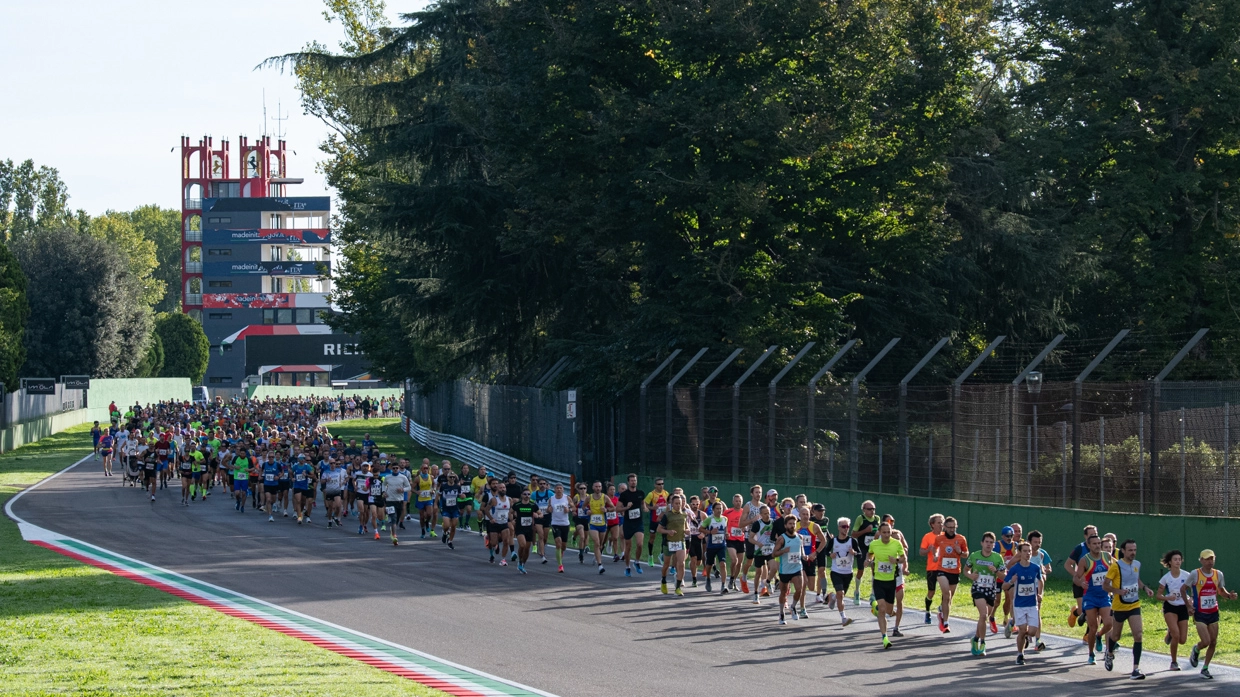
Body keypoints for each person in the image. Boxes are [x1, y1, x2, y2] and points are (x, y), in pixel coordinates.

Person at [1104, 538, 1155, 678]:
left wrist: (1145, 588)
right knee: (1116, 635)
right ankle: (1109, 653)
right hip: (1120, 606)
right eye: (1130, 550)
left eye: (1135, 550)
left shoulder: (1137, 564)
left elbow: (1136, 579)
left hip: (1134, 604)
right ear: (1123, 551)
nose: (1133, 553)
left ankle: (1135, 669)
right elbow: (1105, 585)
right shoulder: (1116, 566)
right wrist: (1117, 591)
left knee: (1138, 635)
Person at [1188, 549, 1238, 679]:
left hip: (1213, 612)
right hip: (1200, 612)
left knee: (1213, 641)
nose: (1210, 562)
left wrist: (1229, 596)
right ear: (1201, 560)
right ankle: (1197, 649)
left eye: (1212, 559)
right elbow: (1183, 589)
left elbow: (1221, 591)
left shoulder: (1218, 574)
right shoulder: (1195, 574)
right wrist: (1189, 604)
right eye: (1207, 559)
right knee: (1206, 641)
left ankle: (1205, 668)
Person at [1002, 541, 1044, 666]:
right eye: (1025, 551)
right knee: (1022, 629)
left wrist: (1040, 593)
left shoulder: (1035, 568)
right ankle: (1020, 655)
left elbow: (1040, 580)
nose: (1028, 553)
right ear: (1019, 553)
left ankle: (1024, 638)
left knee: (1031, 631)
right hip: (1019, 604)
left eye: (1029, 551)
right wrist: (1011, 582)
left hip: (1032, 604)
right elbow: (1004, 585)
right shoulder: (1015, 569)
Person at [1074, 534, 1113, 666]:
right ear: (1089, 545)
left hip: (1104, 596)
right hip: (1090, 597)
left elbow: (1118, 568)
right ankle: (1091, 653)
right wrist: (1081, 583)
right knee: (1093, 626)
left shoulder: (1107, 557)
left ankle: (1099, 636)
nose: (1097, 546)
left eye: (1098, 543)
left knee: (1108, 623)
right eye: (1094, 543)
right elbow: (1076, 578)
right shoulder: (1085, 560)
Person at [964, 531, 1003, 657]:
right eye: (986, 542)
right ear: (982, 543)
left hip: (991, 589)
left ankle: (975, 638)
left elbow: (1004, 575)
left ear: (994, 545)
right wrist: (971, 576)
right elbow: (965, 570)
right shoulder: (974, 556)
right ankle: (983, 643)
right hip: (978, 588)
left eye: (991, 542)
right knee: (983, 614)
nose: (988, 544)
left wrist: (996, 571)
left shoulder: (997, 558)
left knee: (984, 618)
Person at [868, 522, 905, 649]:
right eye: (884, 532)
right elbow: (870, 553)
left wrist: (896, 561)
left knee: (889, 611)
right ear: (879, 533)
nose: (887, 535)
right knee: (883, 609)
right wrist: (869, 560)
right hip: (878, 580)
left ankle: (875, 607)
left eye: (888, 532)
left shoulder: (896, 543)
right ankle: (885, 638)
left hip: (891, 581)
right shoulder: (874, 544)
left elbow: (903, 558)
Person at [933, 516, 968, 634]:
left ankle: (942, 612)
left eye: (954, 527)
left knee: (949, 598)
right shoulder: (939, 538)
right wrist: (935, 555)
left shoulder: (961, 539)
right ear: (945, 527)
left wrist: (960, 552)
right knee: (946, 594)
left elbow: (966, 554)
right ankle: (946, 623)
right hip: (942, 569)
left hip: (954, 570)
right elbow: (935, 548)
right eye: (950, 527)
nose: (952, 529)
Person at [1157, 549, 1190, 671]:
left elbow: (1194, 590)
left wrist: (1191, 599)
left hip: (1183, 607)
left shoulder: (1186, 575)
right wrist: (1167, 597)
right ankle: (1174, 662)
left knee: (1182, 640)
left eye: (1179, 559)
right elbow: (1158, 595)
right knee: (1176, 635)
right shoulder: (1166, 578)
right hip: (1170, 607)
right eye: (1175, 559)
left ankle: (1170, 633)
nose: (1177, 561)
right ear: (1170, 562)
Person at [770, 514, 806, 625]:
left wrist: (804, 556)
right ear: (785, 525)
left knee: (799, 589)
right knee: (783, 592)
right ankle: (781, 613)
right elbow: (773, 554)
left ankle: (793, 607)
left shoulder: (800, 537)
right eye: (790, 524)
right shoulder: (782, 538)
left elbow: (801, 550)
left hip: (797, 567)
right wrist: (783, 551)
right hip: (785, 569)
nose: (792, 526)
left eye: (794, 524)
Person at [826, 516, 860, 626]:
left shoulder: (852, 541)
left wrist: (854, 553)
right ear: (839, 528)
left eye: (847, 527)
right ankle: (843, 617)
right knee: (840, 593)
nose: (846, 529)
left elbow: (860, 554)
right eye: (843, 526)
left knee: (841, 594)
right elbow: (825, 551)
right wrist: (830, 554)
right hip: (836, 571)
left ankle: (833, 597)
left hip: (848, 572)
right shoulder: (833, 541)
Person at [1067, 525, 1100, 629]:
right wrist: (1077, 576)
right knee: (1083, 610)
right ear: (1085, 536)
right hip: (1081, 583)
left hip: (1094, 584)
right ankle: (1075, 612)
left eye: (1095, 534)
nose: (1094, 536)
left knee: (1094, 610)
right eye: (1091, 535)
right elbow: (1067, 564)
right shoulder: (1079, 548)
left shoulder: (1100, 547)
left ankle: (1089, 635)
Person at [657, 493, 690, 596]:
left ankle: (678, 587)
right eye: (676, 503)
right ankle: (663, 581)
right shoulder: (667, 515)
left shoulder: (684, 514)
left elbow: (686, 526)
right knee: (666, 564)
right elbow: (659, 529)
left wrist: (687, 530)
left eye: (679, 503)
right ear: (672, 504)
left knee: (681, 563)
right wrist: (668, 532)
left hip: (681, 542)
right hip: (669, 543)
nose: (678, 505)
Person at [852, 500, 880, 604]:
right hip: (862, 548)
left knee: (875, 571)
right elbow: (853, 534)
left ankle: (872, 594)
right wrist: (865, 531)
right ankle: (857, 591)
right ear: (864, 510)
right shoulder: (861, 519)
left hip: (873, 549)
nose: (872, 511)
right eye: (869, 509)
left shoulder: (877, 519)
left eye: (873, 509)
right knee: (861, 570)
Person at [618, 473, 646, 576]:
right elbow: (618, 508)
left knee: (640, 544)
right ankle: (627, 567)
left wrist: (644, 508)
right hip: (628, 523)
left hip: (638, 522)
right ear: (628, 482)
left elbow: (642, 503)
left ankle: (637, 562)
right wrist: (626, 508)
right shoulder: (624, 495)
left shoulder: (641, 493)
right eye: (632, 480)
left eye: (635, 480)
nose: (633, 482)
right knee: (628, 547)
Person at [920, 513, 944, 624]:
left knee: (946, 590)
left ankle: (942, 608)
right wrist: (928, 550)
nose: (941, 525)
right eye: (938, 522)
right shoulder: (927, 537)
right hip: (932, 568)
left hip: (944, 568)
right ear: (932, 524)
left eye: (942, 522)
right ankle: (927, 611)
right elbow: (921, 552)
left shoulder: (945, 536)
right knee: (931, 592)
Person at [703, 501, 730, 595]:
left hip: (721, 545)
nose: (719, 510)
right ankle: (708, 579)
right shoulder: (709, 519)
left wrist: (726, 534)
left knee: (723, 564)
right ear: (713, 510)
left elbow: (725, 529)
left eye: (720, 509)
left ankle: (723, 585)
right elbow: (700, 529)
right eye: (717, 509)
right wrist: (710, 532)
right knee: (709, 565)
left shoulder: (725, 519)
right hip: (711, 546)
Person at [511, 489, 540, 573]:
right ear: (521, 495)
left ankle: (523, 564)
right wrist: (512, 520)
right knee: (522, 545)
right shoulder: (517, 504)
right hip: (520, 528)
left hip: (529, 529)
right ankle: (520, 561)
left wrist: (537, 515)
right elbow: (510, 512)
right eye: (525, 494)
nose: (527, 495)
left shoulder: (533, 505)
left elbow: (540, 514)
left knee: (527, 548)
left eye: (528, 494)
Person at [486, 481, 513, 566]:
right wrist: (491, 519)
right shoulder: (494, 500)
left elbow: (511, 510)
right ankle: (492, 552)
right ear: (497, 489)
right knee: (493, 543)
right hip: (495, 523)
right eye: (500, 488)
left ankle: (503, 559)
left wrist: (511, 518)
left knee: (506, 541)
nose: (502, 489)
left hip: (504, 523)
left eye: (504, 488)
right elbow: (486, 510)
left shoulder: (509, 499)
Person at [645, 479, 671, 565]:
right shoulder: (651, 494)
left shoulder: (666, 493)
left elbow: (668, 504)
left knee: (665, 538)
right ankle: (650, 556)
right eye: (659, 484)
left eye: (662, 484)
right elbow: (645, 504)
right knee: (652, 538)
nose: (661, 486)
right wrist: (652, 508)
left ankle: (662, 555)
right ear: (655, 485)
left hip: (663, 519)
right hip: (654, 519)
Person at [548, 483, 573, 572]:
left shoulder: (567, 498)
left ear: (563, 489)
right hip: (555, 523)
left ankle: (561, 552)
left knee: (564, 546)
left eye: (560, 488)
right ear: (554, 490)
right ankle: (560, 565)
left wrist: (569, 510)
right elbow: (548, 509)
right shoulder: (551, 499)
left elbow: (573, 507)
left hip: (565, 523)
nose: (559, 490)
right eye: (557, 488)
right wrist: (549, 510)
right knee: (558, 542)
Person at [385, 462, 410, 545]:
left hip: (399, 500)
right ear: (391, 469)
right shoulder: (388, 477)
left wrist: (403, 490)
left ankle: (393, 531)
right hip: (389, 500)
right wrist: (383, 492)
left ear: (399, 468)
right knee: (393, 518)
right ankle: (394, 535)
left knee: (397, 518)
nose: (395, 469)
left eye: (396, 468)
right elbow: (383, 485)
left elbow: (409, 487)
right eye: (394, 468)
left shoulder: (403, 477)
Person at [414, 461, 436, 538]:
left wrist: (433, 490)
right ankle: (423, 530)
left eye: (427, 468)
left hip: (428, 498)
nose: (426, 469)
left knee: (430, 514)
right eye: (424, 468)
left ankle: (427, 523)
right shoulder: (418, 478)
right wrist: (416, 492)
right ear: (421, 469)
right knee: (422, 516)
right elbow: (411, 488)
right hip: (421, 499)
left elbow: (434, 484)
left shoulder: (431, 477)